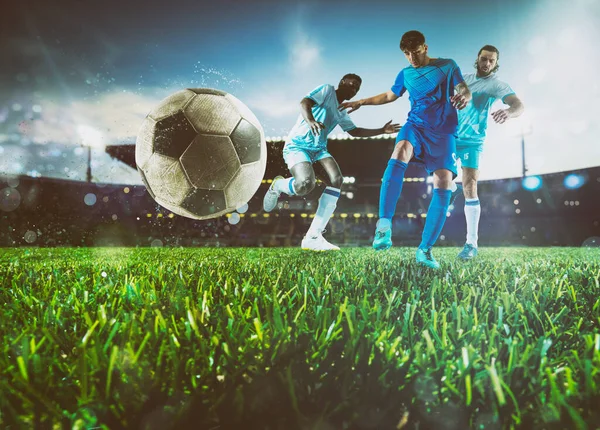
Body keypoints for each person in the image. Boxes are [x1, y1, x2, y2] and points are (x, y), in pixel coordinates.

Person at [340, 31, 471, 269]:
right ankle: (384, 225)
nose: (411, 58)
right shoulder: (406, 73)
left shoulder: (447, 66)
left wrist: (465, 96)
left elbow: (463, 87)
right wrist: (361, 101)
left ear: (425, 47)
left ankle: (425, 250)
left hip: (443, 133)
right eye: (406, 54)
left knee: (443, 183)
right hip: (416, 126)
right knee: (400, 149)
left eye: (416, 52)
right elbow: (390, 95)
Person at [263, 74, 400, 251]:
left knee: (337, 180)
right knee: (305, 184)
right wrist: (311, 121)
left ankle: (313, 236)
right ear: (341, 82)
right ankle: (278, 185)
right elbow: (304, 102)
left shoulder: (341, 110)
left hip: (319, 150)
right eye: (351, 85)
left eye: (357, 89)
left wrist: (382, 130)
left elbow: (355, 132)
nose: (353, 90)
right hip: (298, 145)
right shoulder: (327, 90)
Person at [452, 45, 525, 260]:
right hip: (450, 137)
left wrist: (509, 112)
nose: (487, 63)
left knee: (470, 184)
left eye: (491, 61)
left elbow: (519, 105)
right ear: (477, 58)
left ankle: (471, 244)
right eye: (484, 59)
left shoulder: (497, 85)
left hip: (473, 141)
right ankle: (447, 189)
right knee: (442, 180)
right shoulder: (462, 79)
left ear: (496, 63)